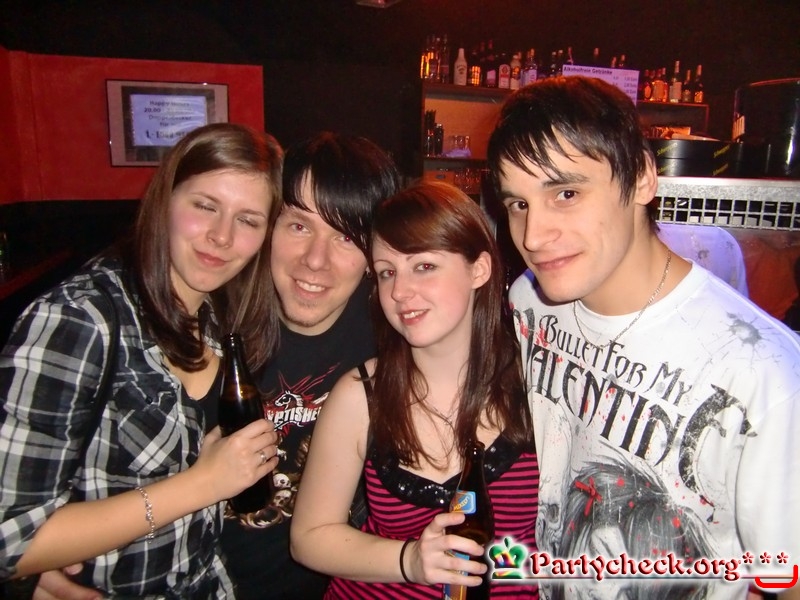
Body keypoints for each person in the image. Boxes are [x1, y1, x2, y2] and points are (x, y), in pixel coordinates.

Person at [486, 76, 800, 599]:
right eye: (518, 203)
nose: (534, 237)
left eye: (566, 193)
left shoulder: (766, 374)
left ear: (642, 179)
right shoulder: (530, 302)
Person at [0, 123, 284, 598]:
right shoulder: (80, 319)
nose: (222, 236)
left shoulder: (219, 314)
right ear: (164, 199)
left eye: (248, 220)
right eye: (205, 206)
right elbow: (9, 537)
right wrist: (204, 484)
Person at [290, 180, 539, 598]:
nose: (399, 292)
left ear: (479, 269)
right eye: (387, 272)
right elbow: (309, 538)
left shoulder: (538, 383)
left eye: (423, 266)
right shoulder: (360, 394)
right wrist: (409, 561)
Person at [220, 130, 401, 599]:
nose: (315, 261)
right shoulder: (212, 325)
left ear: (374, 255)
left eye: (345, 237)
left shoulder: (396, 337)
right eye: (299, 226)